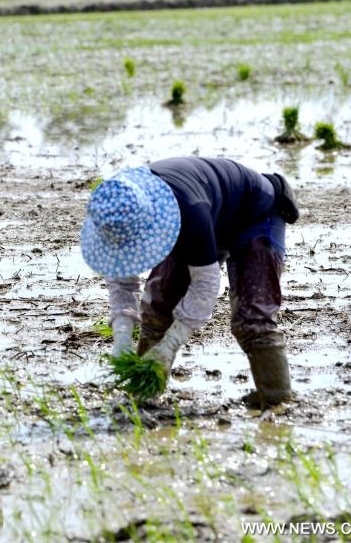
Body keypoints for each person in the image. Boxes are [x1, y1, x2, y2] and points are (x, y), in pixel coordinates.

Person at [80, 157, 300, 408]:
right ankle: (143, 392)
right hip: (208, 213)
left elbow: (205, 285)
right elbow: (122, 282)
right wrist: (121, 337)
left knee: (252, 318)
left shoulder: (185, 212)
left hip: (254, 217)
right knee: (158, 308)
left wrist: (171, 344)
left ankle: (276, 401)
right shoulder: (114, 209)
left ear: (149, 224)